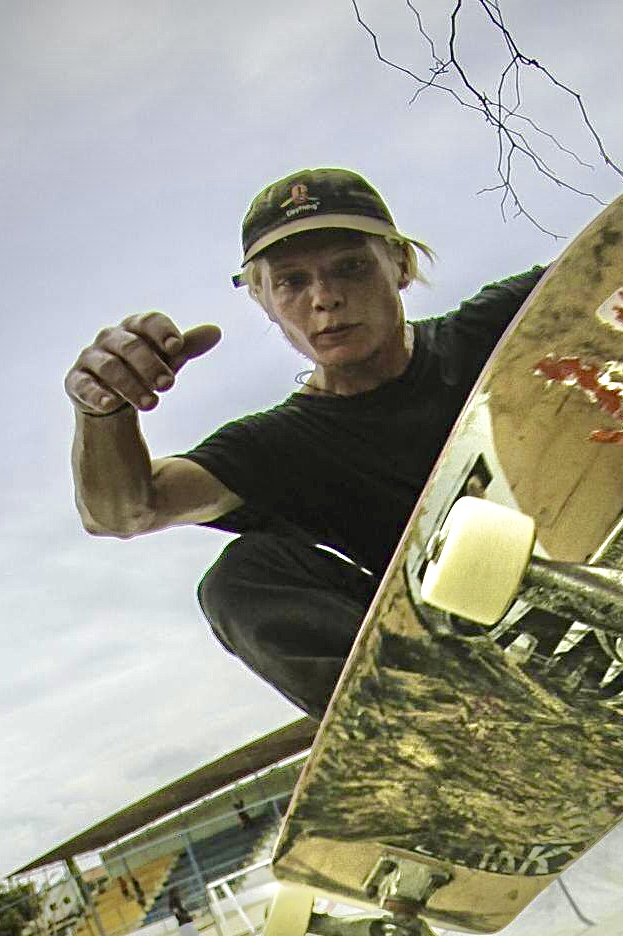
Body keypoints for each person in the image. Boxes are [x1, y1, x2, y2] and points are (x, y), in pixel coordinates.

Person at [64, 168, 545, 718]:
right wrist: (104, 410)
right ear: (263, 301)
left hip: (610, 551)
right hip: (474, 650)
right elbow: (124, 512)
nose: (325, 298)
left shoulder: (506, 326)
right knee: (237, 579)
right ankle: (432, 723)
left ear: (401, 265)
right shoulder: (279, 448)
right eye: (292, 282)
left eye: (351, 268)